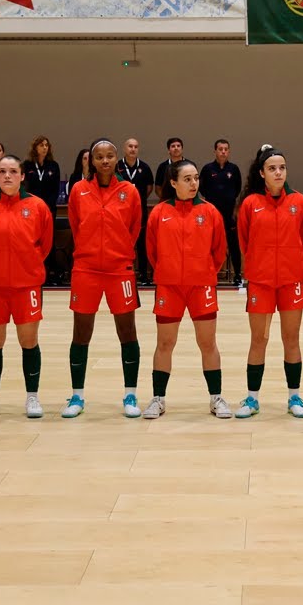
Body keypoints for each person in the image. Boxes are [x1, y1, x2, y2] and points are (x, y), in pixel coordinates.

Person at [141, 159, 232, 420]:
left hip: (201, 286)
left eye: (196, 178)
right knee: (165, 343)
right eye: (187, 179)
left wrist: (202, 272)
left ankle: (216, 398)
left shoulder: (210, 212)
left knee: (207, 343)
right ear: (173, 183)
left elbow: (219, 250)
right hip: (169, 287)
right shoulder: (159, 213)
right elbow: (152, 251)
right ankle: (158, 399)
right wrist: (169, 271)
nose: (194, 183)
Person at [0, 154, 54, 420]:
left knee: (28, 341)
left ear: (22, 176)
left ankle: (32, 397)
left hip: (26, 285)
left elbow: (45, 244)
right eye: (2, 171)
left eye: (13, 171)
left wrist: (26, 266)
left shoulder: (38, 206)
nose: (7, 176)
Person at [66, 138, 144, 419]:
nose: (105, 161)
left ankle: (130, 393)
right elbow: (76, 226)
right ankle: (77, 395)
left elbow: (134, 227)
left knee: (127, 332)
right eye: (99, 157)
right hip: (86, 270)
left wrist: (119, 251)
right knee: (81, 333)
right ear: (91, 160)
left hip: (118, 270)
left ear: (117, 159)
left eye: (110, 156)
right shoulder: (79, 190)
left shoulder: (129, 191)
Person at [236, 145, 303, 418]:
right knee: (259, 339)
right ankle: (252, 399)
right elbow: (245, 242)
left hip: (291, 280)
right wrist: (259, 265)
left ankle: (294, 398)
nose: (278, 172)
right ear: (262, 173)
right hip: (260, 281)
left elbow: (302, 238)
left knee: (291, 339)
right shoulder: (250, 204)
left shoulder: (299, 202)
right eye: (272, 168)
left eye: (282, 167)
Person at [200, 138, 244, 285]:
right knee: (209, 245)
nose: (223, 152)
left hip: (228, 214)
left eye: (226, 149)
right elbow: (202, 188)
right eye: (220, 149)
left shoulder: (234, 169)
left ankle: (238, 274)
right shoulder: (207, 169)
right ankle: (209, 273)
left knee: (233, 245)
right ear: (215, 151)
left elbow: (238, 188)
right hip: (211, 215)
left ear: (229, 151)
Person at [23, 135, 63, 284]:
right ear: (35, 148)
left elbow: (55, 190)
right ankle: (32, 272)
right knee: (32, 241)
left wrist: (46, 207)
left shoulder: (53, 165)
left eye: (47, 145)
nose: (44, 147)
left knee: (48, 241)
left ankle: (50, 273)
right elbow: (25, 188)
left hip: (49, 209)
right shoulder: (27, 166)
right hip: (31, 210)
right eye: (41, 145)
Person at [118, 137, 155, 284]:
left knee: (141, 243)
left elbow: (149, 187)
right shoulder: (117, 166)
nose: (133, 149)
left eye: (136, 146)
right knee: (123, 243)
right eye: (130, 146)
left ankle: (143, 275)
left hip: (140, 211)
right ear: (124, 149)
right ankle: (124, 272)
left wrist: (138, 199)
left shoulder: (144, 168)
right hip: (121, 211)